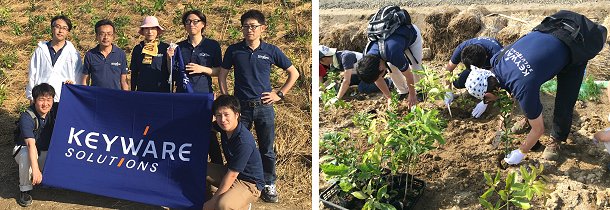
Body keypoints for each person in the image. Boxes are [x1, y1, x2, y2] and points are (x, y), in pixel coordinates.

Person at [464, 21, 606, 165]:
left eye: (487, 100)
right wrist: (502, 122)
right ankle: (529, 118)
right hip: (553, 29)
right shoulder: (497, 60)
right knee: (533, 83)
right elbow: (507, 86)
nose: (489, 102)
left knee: (565, 98)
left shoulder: (523, 86)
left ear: (488, 94)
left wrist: (521, 152)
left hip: (576, 42)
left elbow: (539, 130)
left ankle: (556, 139)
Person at [219, 9, 300, 203]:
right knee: (233, 146)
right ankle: (237, 180)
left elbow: (294, 73)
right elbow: (222, 74)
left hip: (264, 107)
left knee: (266, 148)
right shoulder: (234, 50)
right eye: (246, 26)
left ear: (262, 28)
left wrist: (279, 94)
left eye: (254, 26)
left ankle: (269, 183)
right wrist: (226, 97)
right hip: (241, 109)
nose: (249, 30)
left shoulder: (271, 51)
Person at [167, 10, 224, 164]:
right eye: (188, 22)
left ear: (203, 24)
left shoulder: (212, 45)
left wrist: (202, 69)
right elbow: (171, 72)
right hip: (183, 97)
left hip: (203, 96)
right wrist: (169, 58)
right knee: (185, 133)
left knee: (208, 133)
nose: (191, 24)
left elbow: (220, 71)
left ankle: (216, 169)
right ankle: (188, 167)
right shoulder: (178, 47)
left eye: (195, 21)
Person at [204, 95, 264, 210]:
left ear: (237, 115)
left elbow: (232, 175)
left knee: (223, 205)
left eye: (226, 114)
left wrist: (213, 202)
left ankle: (243, 205)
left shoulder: (244, 141)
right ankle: (212, 200)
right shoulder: (223, 127)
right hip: (229, 171)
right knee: (199, 169)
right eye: (218, 115)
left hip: (249, 183)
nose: (222, 120)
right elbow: (206, 124)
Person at [355, 8, 423, 108]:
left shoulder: (392, 52)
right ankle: (403, 91)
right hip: (393, 43)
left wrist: (412, 94)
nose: (380, 78)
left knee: (416, 67)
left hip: (411, 36)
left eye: (380, 75)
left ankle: (421, 90)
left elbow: (408, 75)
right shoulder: (367, 58)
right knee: (392, 68)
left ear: (380, 68)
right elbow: (377, 79)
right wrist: (389, 97)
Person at [13, 83, 59, 207]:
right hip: (25, 149)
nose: (45, 104)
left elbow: (73, 103)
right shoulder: (27, 116)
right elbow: (30, 145)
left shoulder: (54, 110)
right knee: (26, 154)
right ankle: (25, 190)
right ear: (34, 100)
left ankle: (45, 178)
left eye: (49, 99)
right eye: (41, 99)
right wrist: (36, 169)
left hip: (44, 150)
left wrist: (71, 86)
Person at [26, 15, 82, 103]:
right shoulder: (40, 50)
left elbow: (78, 77)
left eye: (64, 28)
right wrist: (31, 96)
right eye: (57, 27)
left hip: (64, 98)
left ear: (68, 32)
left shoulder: (73, 53)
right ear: (52, 29)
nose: (60, 31)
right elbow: (32, 72)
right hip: (42, 98)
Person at [443, 37, 503, 118]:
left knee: (492, 87)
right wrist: (448, 91)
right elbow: (448, 69)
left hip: (491, 70)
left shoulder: (497, 56)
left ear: (485, 57)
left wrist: (485, 102)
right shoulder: (463, 48)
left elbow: (501, 80)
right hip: (476, 62)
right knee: (457, 82)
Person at [319, 45, 391, 100]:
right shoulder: (335, 62)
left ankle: (389, 82)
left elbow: (346, 81)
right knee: (343, 83)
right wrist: (321, 88)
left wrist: (337, 98)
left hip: (373, 73)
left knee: (363, 88)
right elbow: (335, 80)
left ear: (323, 59)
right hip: (360, 74)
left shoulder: (346, 57)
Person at [82, 19, 129, 90]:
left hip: (115, 96)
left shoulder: (120, 54)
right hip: (96, 97)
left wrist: (126, 97)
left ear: (114, 36)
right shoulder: (90, 55)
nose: (106, 37)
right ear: (97, 36)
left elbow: (123, 80)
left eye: (109, 34)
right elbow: (85, 80)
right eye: (102, 34)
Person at [130, 16, 170, 92]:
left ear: (157, 30)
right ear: (143, 31)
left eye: (153, 28)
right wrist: (132, 90)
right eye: (147, 29)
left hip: (162, 90)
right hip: (143, 90)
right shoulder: (138, 48)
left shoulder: (165, 48)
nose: (150, 32)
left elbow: (171, 70)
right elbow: (134, 72)